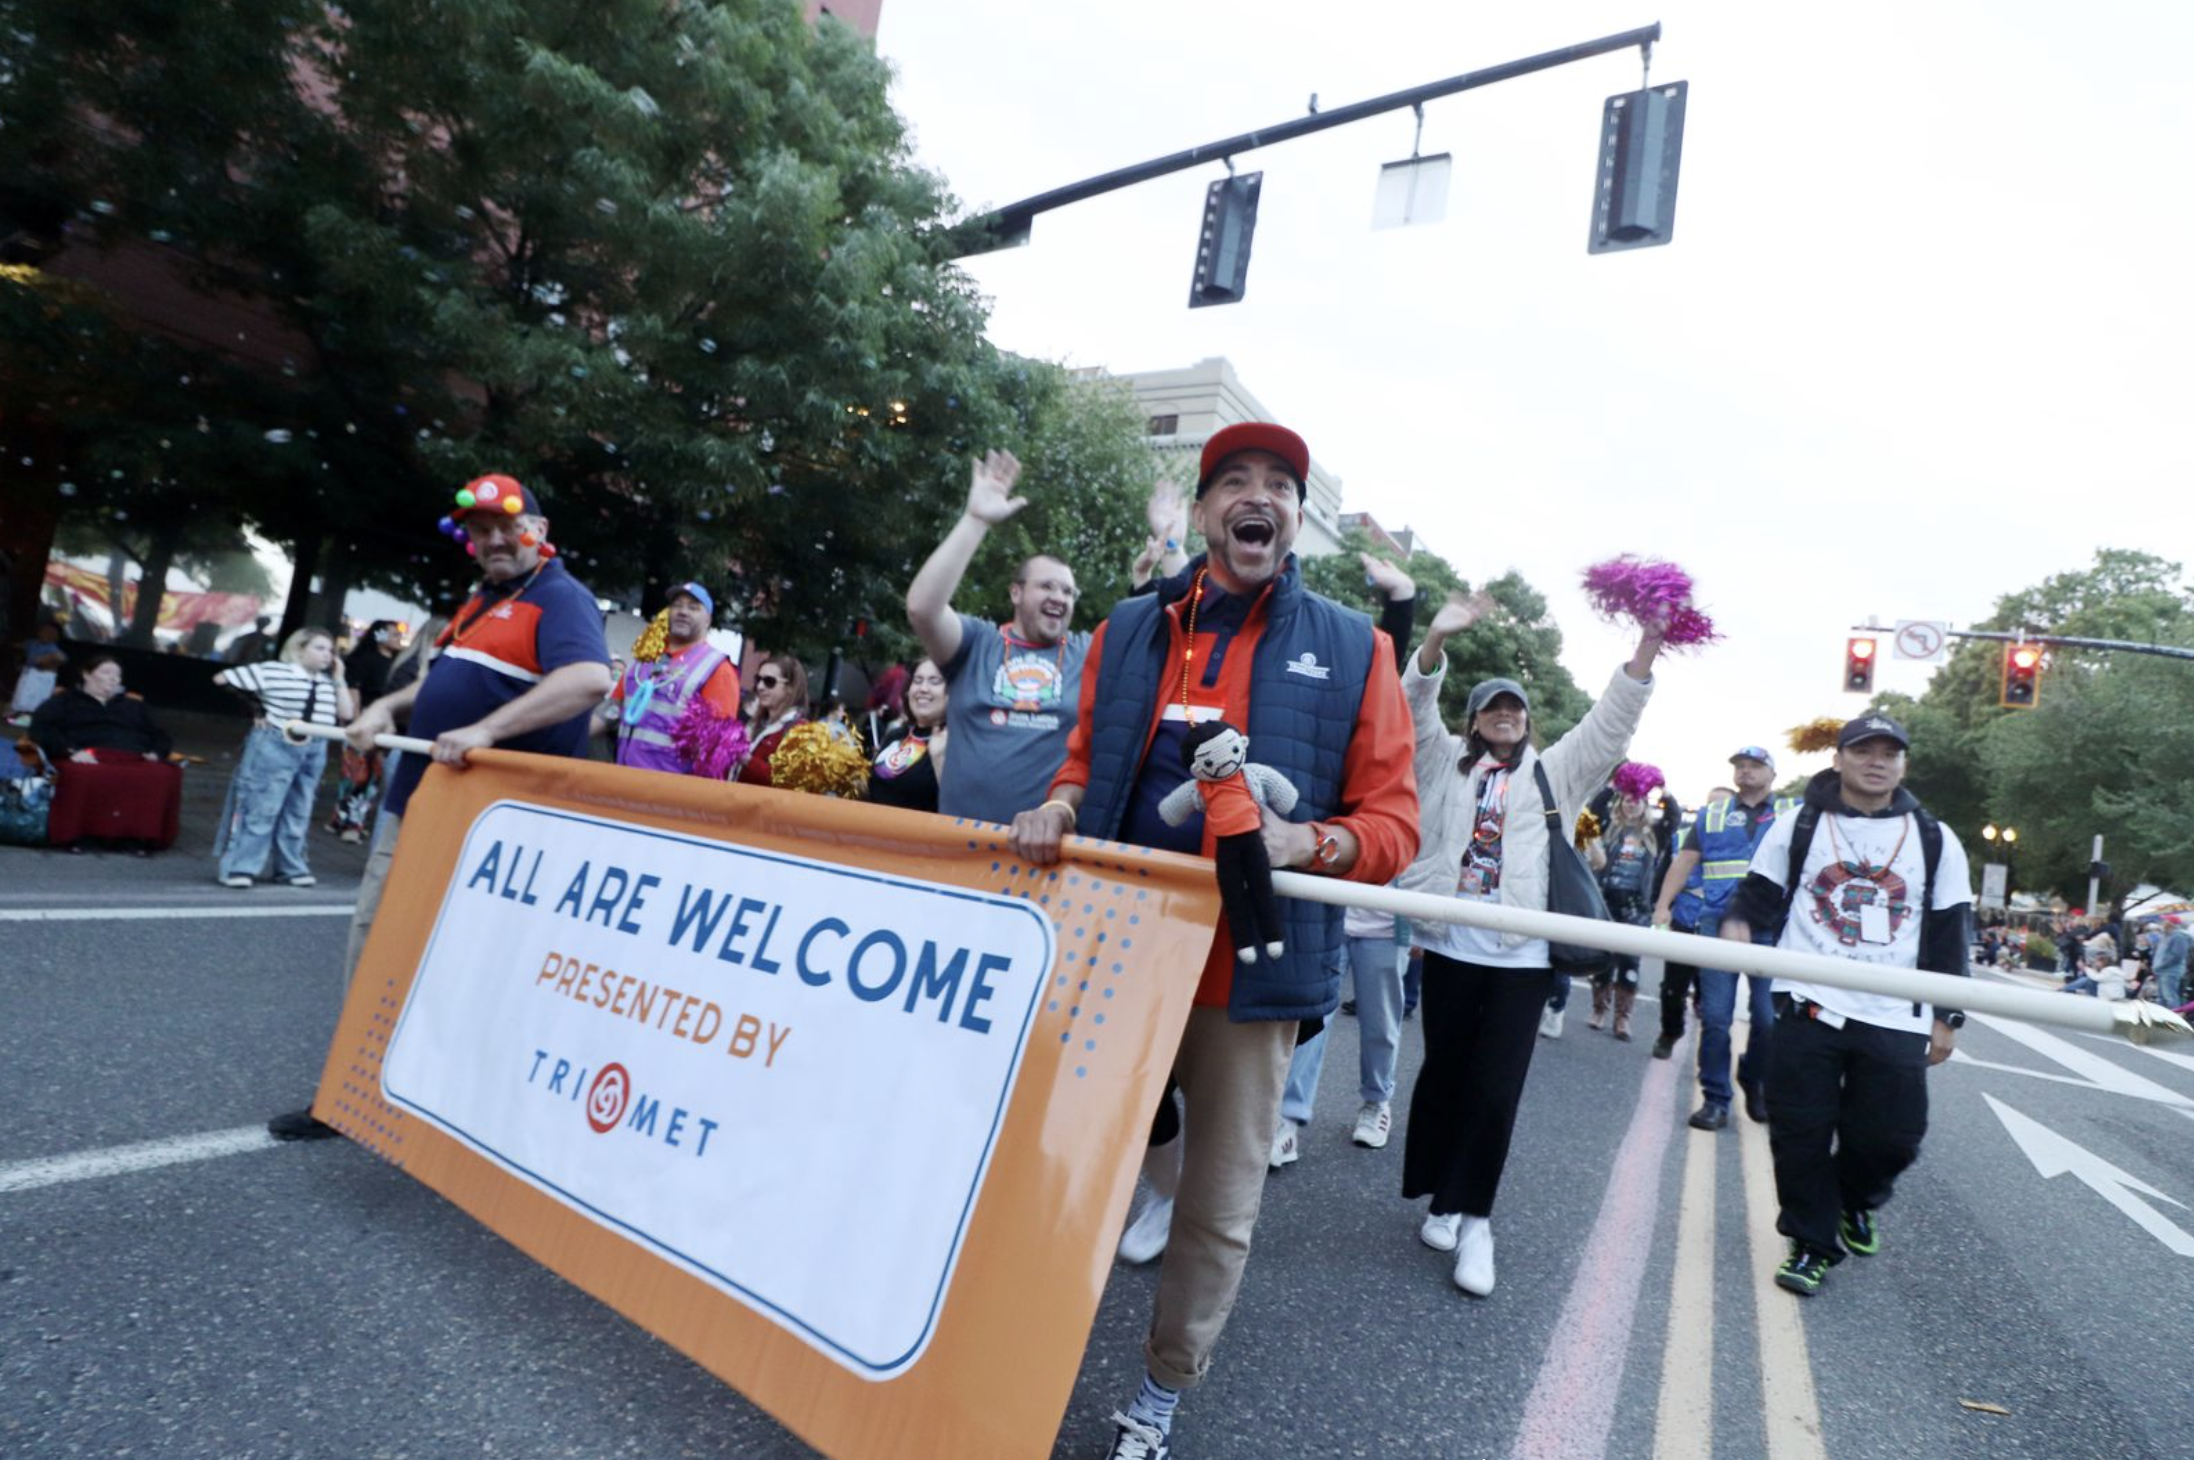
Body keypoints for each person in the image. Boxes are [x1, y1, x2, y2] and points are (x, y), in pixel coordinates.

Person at [1006, 421, 1419, 1460]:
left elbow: (1394, 825)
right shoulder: (1125, 629)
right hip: (1114, 947)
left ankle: (1159, 1387)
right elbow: (1083, 754)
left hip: (1249, 969)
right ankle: (1014, 1350)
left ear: (1295, 521)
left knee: (1218, 1208)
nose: (1257, 495)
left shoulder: (1354, 645)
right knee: (1066, 1166)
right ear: (1203, 514)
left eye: (1279, 483)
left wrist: (1305, 839)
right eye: (1234, 480)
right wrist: (1058, 805)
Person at [267, 475, 611, 1141]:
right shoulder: (481, 601)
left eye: (504, 527)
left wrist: (486, 731)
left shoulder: (562, 598)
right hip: (422, 800)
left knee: (478, 955)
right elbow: (440, 681)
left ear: (536, 532)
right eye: (478, 531)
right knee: (377, 938)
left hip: (496, 822)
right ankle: (353, 1088)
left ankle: (465, 1096)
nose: (491, 540)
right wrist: (386, 707)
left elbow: (589, 680)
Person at [1397, 592, 1663, 1299]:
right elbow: (1412, 711)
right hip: (1451, 947)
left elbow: (1611, 725)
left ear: (1527, 718)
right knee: (1444, 1076)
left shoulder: (1557, 770)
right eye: (1492, 707)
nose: (1505, 715)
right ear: (1475, 720)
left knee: (1494, 1091)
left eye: (1514, 707)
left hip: (1520, 958)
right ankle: (1443, 1197)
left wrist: (1646, 650)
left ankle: (1476, 1217)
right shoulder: (1445, 762)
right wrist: (1435, 641)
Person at [1718, 712, 1971, 1298]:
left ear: (1903, 764)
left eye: (1890, 752)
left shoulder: (1935, 837)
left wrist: (1946, 1015)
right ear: (1838, 759)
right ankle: (1811, 1243)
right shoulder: (1799, 824)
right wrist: (1737, 923)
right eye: (1863, 750)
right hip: (1807, 1004)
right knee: (1799, 1132)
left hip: (1893, 1014)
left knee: (1891, 1140)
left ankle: (1855, 1201)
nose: (1877, 761)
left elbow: (1947, 931)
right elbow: (1757, 896)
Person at [1269, 551, 1422, 1165]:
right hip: (1327, 899)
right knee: (1314, 1020)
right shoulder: (1322, 698)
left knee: (1382, 1024)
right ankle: (1287, 1119)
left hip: (1382, 907)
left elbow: (1391, 667)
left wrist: (1404, 605)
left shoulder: (1405, 728)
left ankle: (1374, 1099)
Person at [906, 449, 1092, 824]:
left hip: (1046, 855)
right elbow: (922, 608)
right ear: (1016, 593)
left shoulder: (1088, 652)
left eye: (1068, 592)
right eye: (1048, 587)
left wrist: (1170, 549)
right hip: (960, 850)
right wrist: (975, 521)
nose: (1060, 598)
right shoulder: (977, 643)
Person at [1654, 747, 1804, 1129]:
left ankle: (1753, 1079)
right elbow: (1684, 862)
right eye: (1740, 766)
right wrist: (1663, 905)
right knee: (1717, 1017)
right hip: (1717, 924)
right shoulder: (1713, 814)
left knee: (1769, 1019)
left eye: (1754, 766)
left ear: (1772, 773)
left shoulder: (1794, 812)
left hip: (1771, 927)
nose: (1745, 771)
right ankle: (1715, 1099)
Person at [211, 627, 354, 888]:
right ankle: (239, 866)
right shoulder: (275, 671)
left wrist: (339, 678)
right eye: (319, 648)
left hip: (315, 745)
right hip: (276, 741)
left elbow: (346, 712)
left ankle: (290, 867)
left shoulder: (326, 682)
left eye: (331, 651)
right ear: (299, 649)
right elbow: (222, 678)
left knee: (299, 809)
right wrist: (257, 708)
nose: (327, 655)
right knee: (260, 805)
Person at [29, 654, 181, 854]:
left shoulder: (134, 706)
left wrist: (156, 752)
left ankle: (135, 837)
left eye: (118, 675)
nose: (113, 679)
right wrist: (70, 750)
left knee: (162, 774)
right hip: (84, 755)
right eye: (106, 672)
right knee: (83, 774)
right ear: (86, 674)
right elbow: (41, 729)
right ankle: (81, 835)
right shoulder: (64, 701)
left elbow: (160, 734)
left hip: (132, 756)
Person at [603, 583, 741, 777]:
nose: (683, 612)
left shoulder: (717, 668)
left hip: (670, 790)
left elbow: (716, 750)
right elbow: (608, 714)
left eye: (693, 607)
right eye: (677, 605)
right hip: (623, 778)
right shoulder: (644, 662)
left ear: (708, 620)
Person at [1586, 784, 1660, 1040]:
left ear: (1645, 806)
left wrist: (1662, 789)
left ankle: (1622, 1018)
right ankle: (1598, 1010)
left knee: (1630, 962)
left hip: (1636, 907)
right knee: (1604, 959)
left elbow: (1673, 817)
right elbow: (1594, 808)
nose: (1632, 803)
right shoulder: (1609, 827)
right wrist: (1612, 787)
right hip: (1607, 901)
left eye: (1638, 800)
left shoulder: (1652, 834)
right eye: (1627, 799)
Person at [329, 622, 401, 842]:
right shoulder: (363, 660)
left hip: (384, 725)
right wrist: (359, 723)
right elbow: (354, 692)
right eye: (394, 634)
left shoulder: (397, 663)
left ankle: (347, 821)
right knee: (356, 775)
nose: (399, 638)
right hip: (364, 723)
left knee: (373, 775)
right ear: (379, 636)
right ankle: (349, 824)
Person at [866, 658, 948, 812]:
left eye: (935, 681)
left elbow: (962, 809)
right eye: (917, 681)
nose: (923, 688)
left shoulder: (959, 743)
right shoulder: (895, 736)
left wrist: (939, 760)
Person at [733, 654, 807, 786]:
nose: (760, 687)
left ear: (790, 688)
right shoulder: (755, 722)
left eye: (769, 681)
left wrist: (746, 759)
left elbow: (788, 780)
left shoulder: (799, 730)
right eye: (758, 679)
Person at [11, 621, 68, 718]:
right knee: (22, 696)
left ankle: (31, 715)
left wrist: (48, 658)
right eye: (44, 631)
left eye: (51, 633)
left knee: (37, 698)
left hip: (42, 677)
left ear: (56, 637)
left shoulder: (52, 648)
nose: (47, 635)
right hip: (28, 674)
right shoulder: (31, 643)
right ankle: (20, 714)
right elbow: (19, 645)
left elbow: (62, 658)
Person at [2153, 916, 2190, 1009]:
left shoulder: (2178, 936)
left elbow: (2177, 956)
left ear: (2170, 923)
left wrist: (2161, 965)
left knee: (2170, 997)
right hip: (2162, 971)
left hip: (2170, 972)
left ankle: (2174, 1019)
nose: (2162, 922)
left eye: (2164, 920)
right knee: (2163, 998)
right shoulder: (2167, 935)